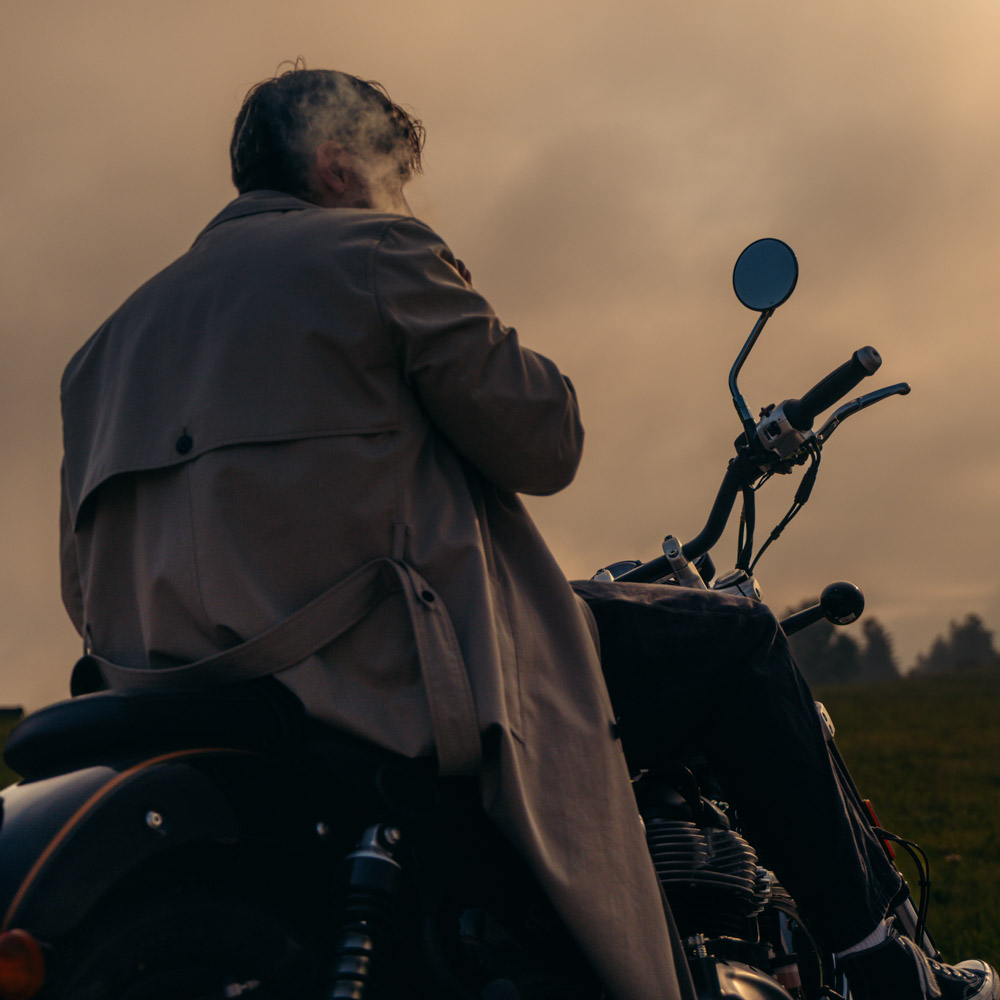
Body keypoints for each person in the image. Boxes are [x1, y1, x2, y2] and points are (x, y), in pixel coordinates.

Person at [59, 66, 997, 1000]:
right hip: (387, 674)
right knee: (735, 636)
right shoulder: (375, 252)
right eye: (391, 167)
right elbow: (546, 440)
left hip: (173, 693)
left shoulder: (103, 346)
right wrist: (440, 272)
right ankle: (884, 966)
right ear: (337, 160)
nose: (400, 192)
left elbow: (79, 579)